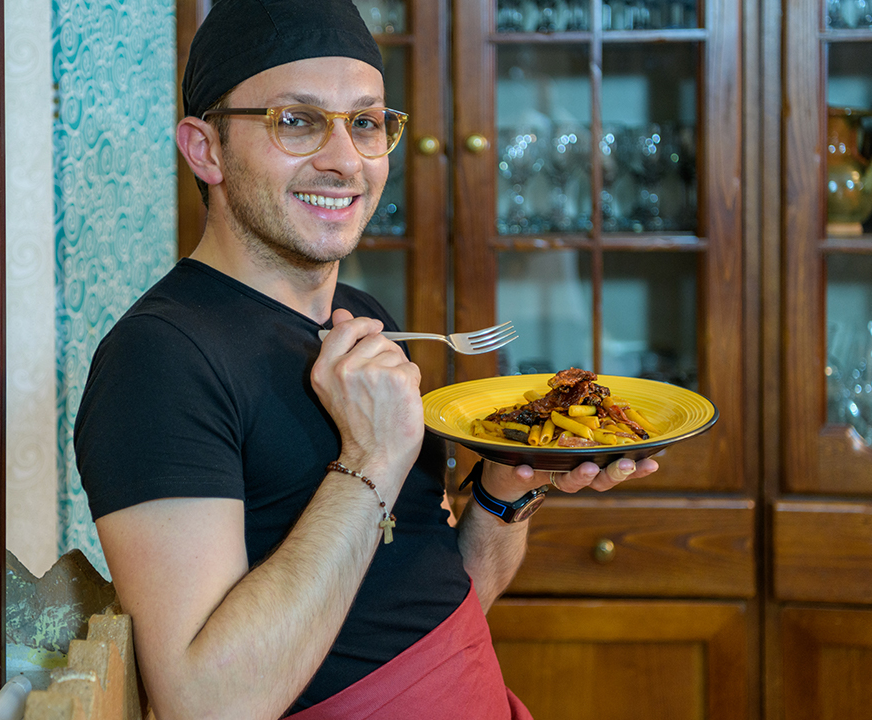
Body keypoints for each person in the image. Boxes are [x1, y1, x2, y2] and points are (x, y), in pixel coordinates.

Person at [73, 1, 659, 718]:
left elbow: (438, 602)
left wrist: (508, 488)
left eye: (366, 122)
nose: (345, 160)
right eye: (296, 120)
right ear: (206, 150)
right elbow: (207, 704)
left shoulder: (366, 321)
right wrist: (372, 460)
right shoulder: (158, 359)